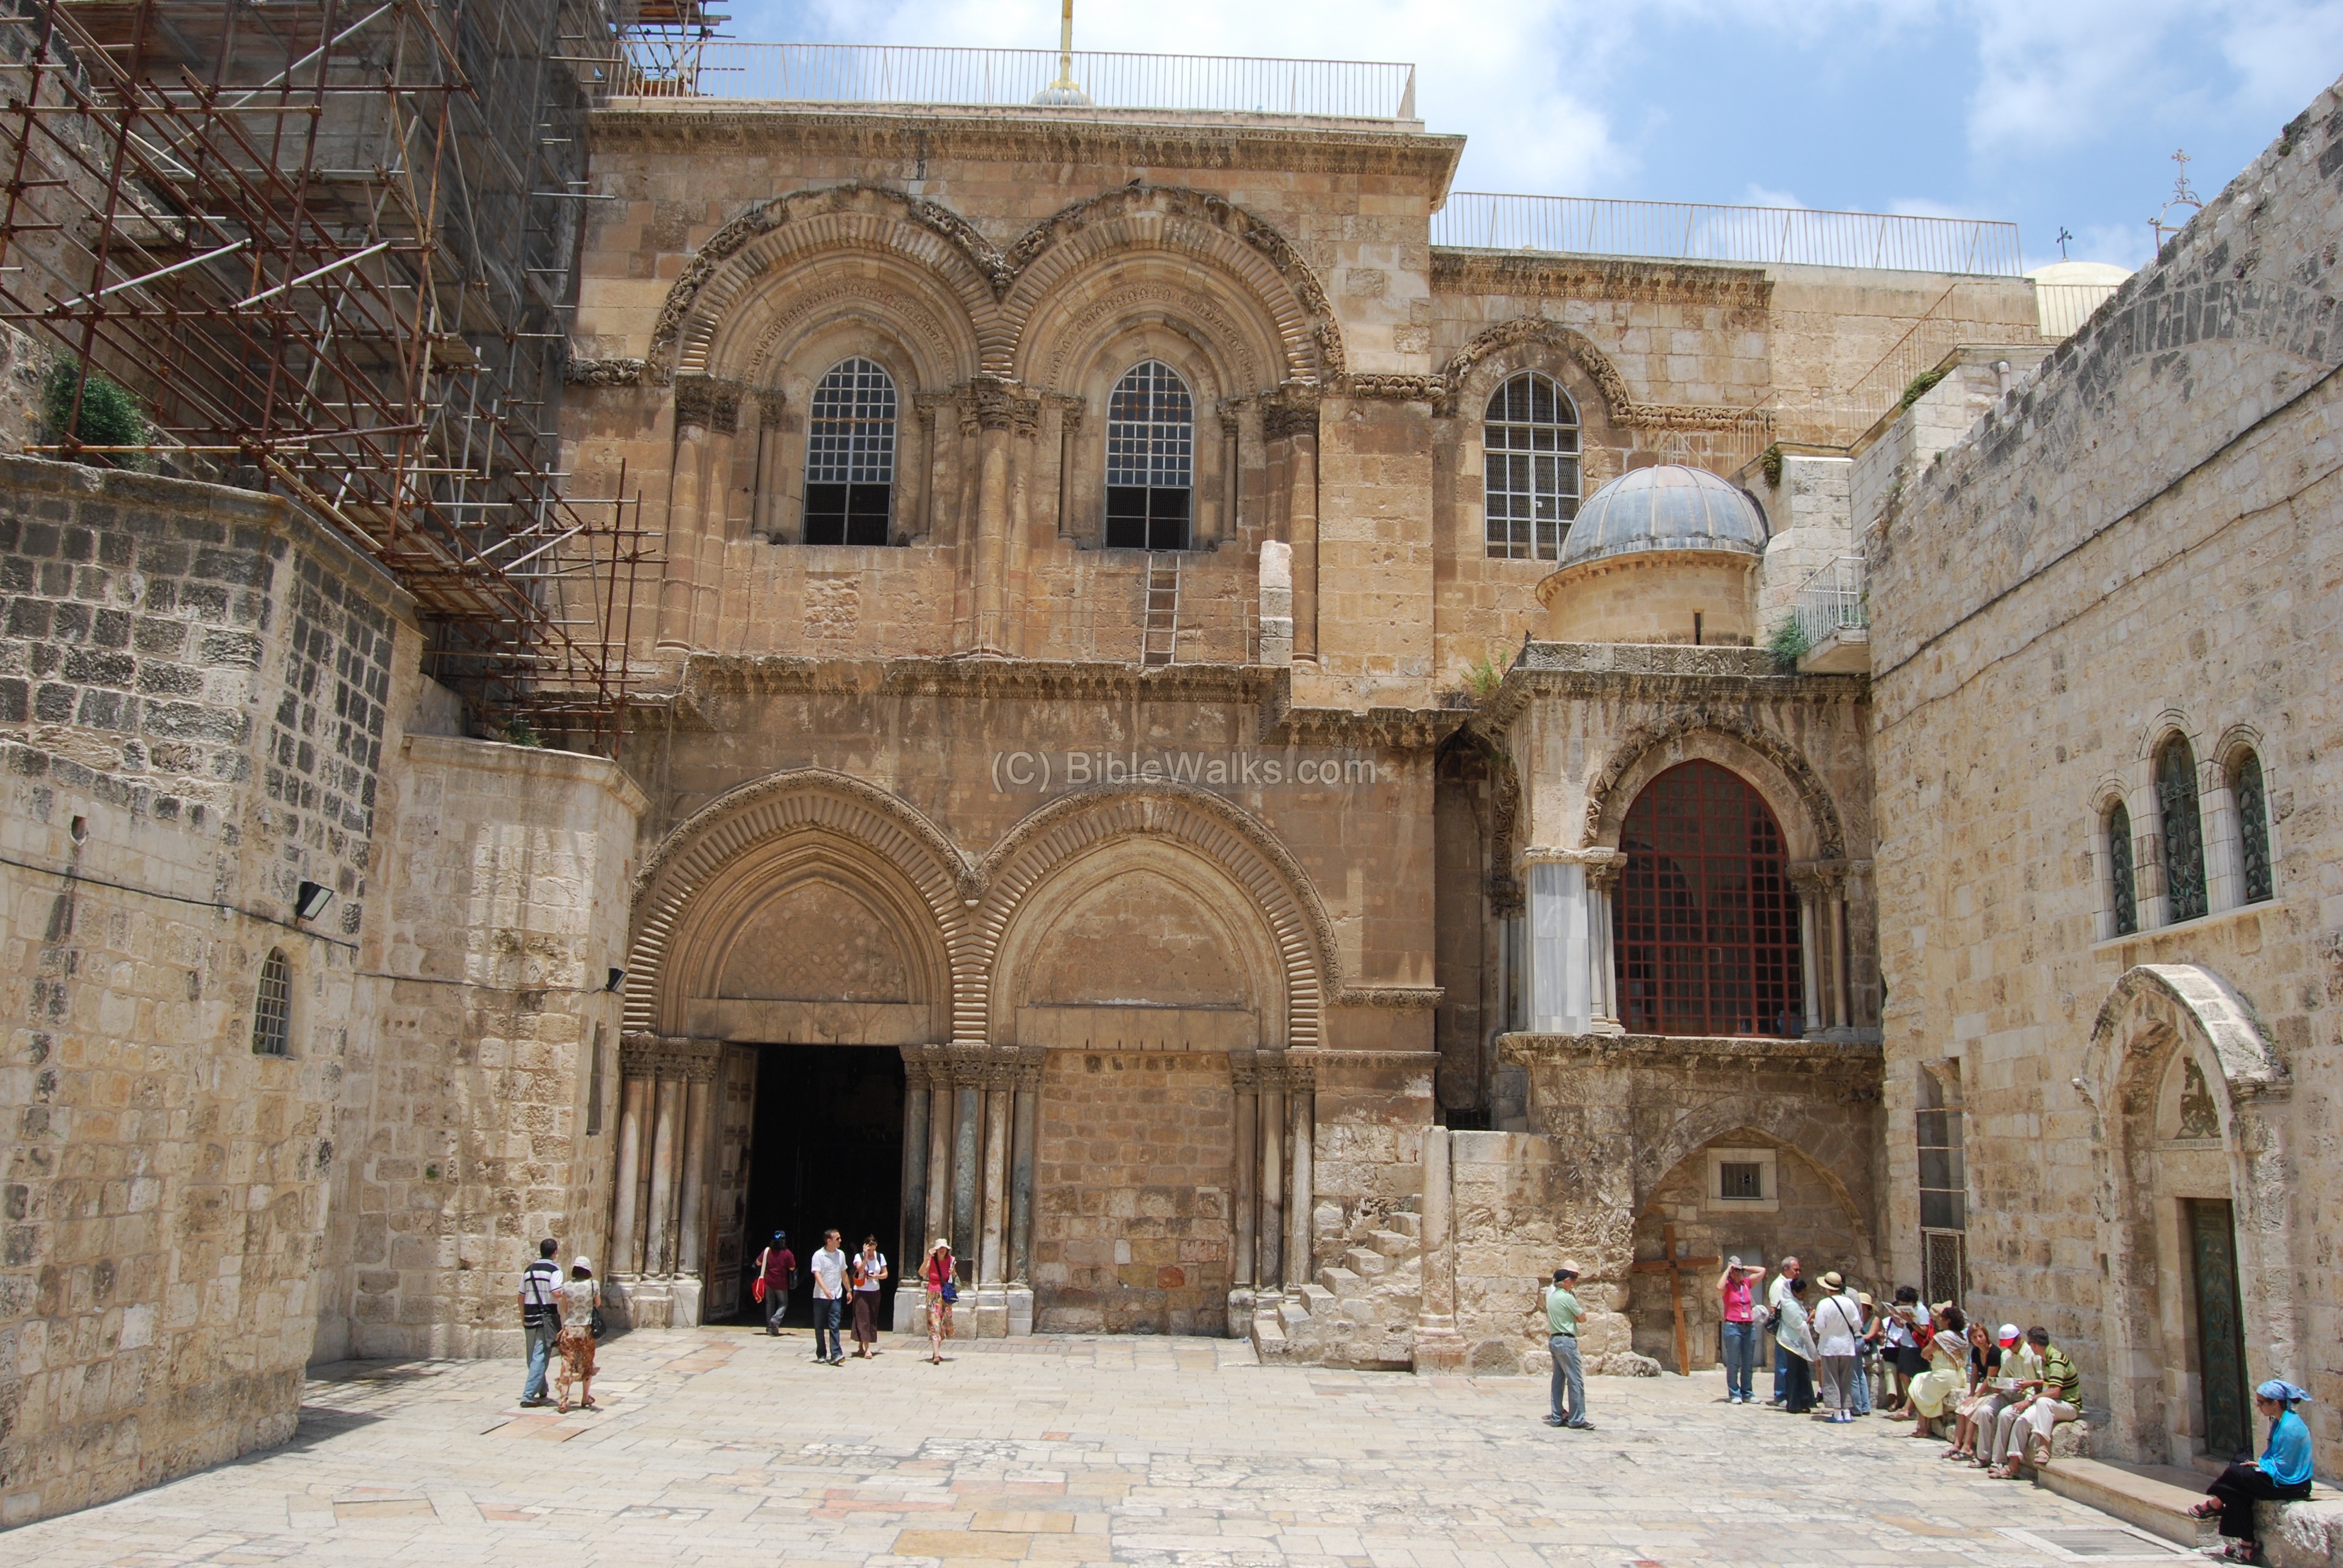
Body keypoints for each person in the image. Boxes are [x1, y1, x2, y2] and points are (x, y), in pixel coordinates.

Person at [2189, 1380, 2316, 1563]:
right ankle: (2247, 1544)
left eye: (2262, 1402)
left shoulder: (2290, 1427)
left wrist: (2263, 1467)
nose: (2259, 1407)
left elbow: (2286, 1468)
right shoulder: (2281, 1422)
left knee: (2234, 1476)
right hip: (2282, 1479)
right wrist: (2260, 1465)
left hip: (2292, 1485)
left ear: (2275, 1403)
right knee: (2236, 1486)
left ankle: (2216, 1504)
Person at [1987, 1326, 2080, 1478]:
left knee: (2043, 1401)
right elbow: (2047, 1384)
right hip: (2051, 1404)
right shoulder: (2045, 1360)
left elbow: (2055, 1391)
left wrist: (2030, 1399)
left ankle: (2043, 1447)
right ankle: (2013, 1467)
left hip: (2068, 1405)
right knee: (2021, 1421)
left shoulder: (2055, 1359)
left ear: (2034, 1345)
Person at [1945, 1318, 2007, 1463]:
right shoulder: (1976, 1352)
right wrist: (1972, 1393)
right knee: (1962, 1409)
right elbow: (1974, 1374)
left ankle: (1968, 1448)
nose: (1979, 1340)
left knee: (1973, 1410)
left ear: (1986, 1336)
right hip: (1985, 1390)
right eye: (1975, 1337)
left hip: (1995, 1390)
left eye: (1981, 1336)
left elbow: (1990, 1378)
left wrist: (1977, 1396)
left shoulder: (1994, 1353)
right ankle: (1957, 1445)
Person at [1542, 1264, 1593, 1430]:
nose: (1573, 1283)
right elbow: (1583, 1317)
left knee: (1558, 1380)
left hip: (1554, 1340)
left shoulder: (1552, 1298)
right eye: (1571, 1281)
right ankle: (1577, 1418)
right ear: (1565, 1282)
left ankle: (1557, 1416)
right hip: (1567, 1341)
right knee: (1575, 1380)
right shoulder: (1567, 1297)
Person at [1906, 1305, 1969, 1438]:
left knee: (1919, 1391)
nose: (1939, 1321)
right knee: (1919, 1378)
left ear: (1948, 1321)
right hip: (1959, 1376)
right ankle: (1914, 1418)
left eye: (1942, 1318)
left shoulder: (1943, 1337)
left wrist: (1930, 1355)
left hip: (1944, 1376)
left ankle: (1923, 1428)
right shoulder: (1963, 1337)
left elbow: (1925, 1353)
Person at [1811, 1273, 1865, 1423]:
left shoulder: (1824, 1304)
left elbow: (1820, 1327)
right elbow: (1857, 1325)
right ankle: (1847, 1411)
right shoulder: (1849, 1303)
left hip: (1830, 1346)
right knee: (1846, 1379)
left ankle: (1836, 1412)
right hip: (1847, 1346)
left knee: (1832, 1379)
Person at [517, 1236, 562, 1407]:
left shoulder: (528, 1271)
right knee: (541, 1356)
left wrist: (522, 1316)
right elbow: (556, 1292)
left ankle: (542, 1389)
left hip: (529, 1315)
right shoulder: (555, 1270)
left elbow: (521, 1296)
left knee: (532, 1357)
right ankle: (528, 1395)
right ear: (555, 1253)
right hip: (546, 1318)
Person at [554, 1256, 600, 1413]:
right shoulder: (593, 1285)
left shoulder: (566, 1286)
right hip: (586, 1330)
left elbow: (566, 1309)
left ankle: (563, 1400)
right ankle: (585, 1397)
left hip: (569, 1331)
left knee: (567, 1364)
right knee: (587, 1363)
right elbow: (598, 1304)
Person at [1717, 1256, 1764, 1405]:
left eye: (1739, 1271)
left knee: (1748, 1362)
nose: (1737, 1273)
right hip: (1733, 1326)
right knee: (1734, 1362)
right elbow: (1719, 1287)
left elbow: (1762, 1271)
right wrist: (1727, 1270)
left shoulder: (1746, 1283)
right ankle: (1734, 1393)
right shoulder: (1728, 1286)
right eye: (1735, 1271)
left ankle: (1748, 1392)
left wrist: (1746, 1268)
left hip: (1748, 1327)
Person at [1765, 1256, 1804, 1406]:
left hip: (1791, 1330)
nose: (1798, 1273)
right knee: (1782, 1363)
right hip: (1783, 1329)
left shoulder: (1789, 1284)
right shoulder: (1779, 1286)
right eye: (1795, 1270)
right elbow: (1775, 1309)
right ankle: (1780, 1395)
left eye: (1799, 1270)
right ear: (1786, 1269)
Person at [1775, 1276, 1817, 1414]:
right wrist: (1811, 1316)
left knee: (1801, 1372)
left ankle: (1803, 1402)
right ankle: (1795, 1404)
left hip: (1797, 1343)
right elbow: (1800, 1325)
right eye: (1801, 1294)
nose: (1802, 1296)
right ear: (1793, 1292)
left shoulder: (1795, 1302)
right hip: (1792, 1344)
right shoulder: (1789, 1304)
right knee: (1795, 1374)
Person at [809, 1229, 848, 1365]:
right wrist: (825, 1289)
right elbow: (817, 1274)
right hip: (820, 1296)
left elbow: (844, 1273)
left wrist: (849, 1290)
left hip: (836, 1295)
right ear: (829, 1241)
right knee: (819, 1326)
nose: (840, 1241)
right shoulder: (819, 1255)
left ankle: (836, 1354)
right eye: (837, 1239)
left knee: (835, 1325)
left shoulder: (841, 1255)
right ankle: (821, 1353)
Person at [850, 1235, 888, 1358]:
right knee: (863, 1317)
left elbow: (886, 1274)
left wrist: (876, 1276)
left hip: (874, 1291)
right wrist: (866, 1257)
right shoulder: (859, 1257)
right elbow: (860, 1271)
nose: (872, 1252)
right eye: (869, 1250)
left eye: (873, 1249)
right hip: (861, 1291)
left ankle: (861, 1344)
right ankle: (867, 1349)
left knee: (871, 1317)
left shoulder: (880, 1257)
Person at [755, 1230, 796, 1336]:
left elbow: (758, 1262)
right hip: (781, 1283)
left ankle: (770, 1329)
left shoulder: (767, 1251)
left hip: (768, 1282)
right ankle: (776, 1320)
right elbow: (792, 1267)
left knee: (770, 1304)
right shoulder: (787, 1253)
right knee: (783, 1303)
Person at [923, 1238, 957, 1364]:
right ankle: (937, 1355)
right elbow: (921, 1273)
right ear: (936, 1251)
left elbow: (955, 1278)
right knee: (935, 1324)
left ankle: (935, 1351)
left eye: (944, 1248)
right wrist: (927, 1258)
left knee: (943, 1324)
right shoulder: (931, 1260)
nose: (942, 1250)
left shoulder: (951, 1260)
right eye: (940, 1248)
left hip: (946, 1295)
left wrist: (953, 1273)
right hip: (933, 1295)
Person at [1852, 1292, 1880, 1416]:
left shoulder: (1875, 1319)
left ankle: (1861, 1405)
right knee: (1859, 1372)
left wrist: (1857, 1336)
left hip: (1869, 1351)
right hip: (1860, 1349)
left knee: (1857, 1371)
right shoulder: (1856, 1317)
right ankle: (1864, 1405)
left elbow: (1871, 1335)